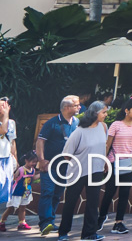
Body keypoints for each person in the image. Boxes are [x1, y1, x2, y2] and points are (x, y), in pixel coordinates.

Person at [58, 101, 108, 241]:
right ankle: (63, 233)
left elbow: (103, 146)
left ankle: (89, 234)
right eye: (103, 112)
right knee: (70, 202)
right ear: (95, 113)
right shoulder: (79, 131)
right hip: (78, 172)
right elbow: (67, 154)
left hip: (96, 170)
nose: (106, 115)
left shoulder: (104, 127)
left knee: (93, 203)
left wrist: (104, 162)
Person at [97, 96, 132, 235]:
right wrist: (103, 161)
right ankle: (101, 217)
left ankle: (118, 223)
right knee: (109, 192)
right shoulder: (116, 125)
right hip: (113, 162)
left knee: (124, 192)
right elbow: (108, 144)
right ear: (126, 110)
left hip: (131, 161)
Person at [36, 95, 79, 236]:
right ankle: (45, 223)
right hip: (50, 165)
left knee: (57, 194)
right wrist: (42, 160)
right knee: (47, 192)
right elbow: (40, 142)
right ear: (67, 107)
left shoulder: (77, 122)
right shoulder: (52, 123)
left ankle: (51, 221)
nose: (79, 107)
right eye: (76, 105)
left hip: (66, 167)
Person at [2, 152, 37, 231]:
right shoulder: (21, 170)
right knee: (10, 208)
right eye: (32, 161)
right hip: (16, 193)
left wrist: (43, 173)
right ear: (26, 160)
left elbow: (34, 178)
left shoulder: (33, 170)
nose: (34, 163)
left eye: (35, 162)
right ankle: (2, 222)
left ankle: (22, 223)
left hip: (25, 193)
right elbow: (13, 178)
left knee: (23, 207)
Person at [0, 98, 17, 219]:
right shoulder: (6, 122)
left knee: (4, 190)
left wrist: (15, 158)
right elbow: (3, 130)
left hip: (6, 159)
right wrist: (5, 114)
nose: (2, 108)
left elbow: (12, 141)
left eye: (5, 106)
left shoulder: (11, 122)